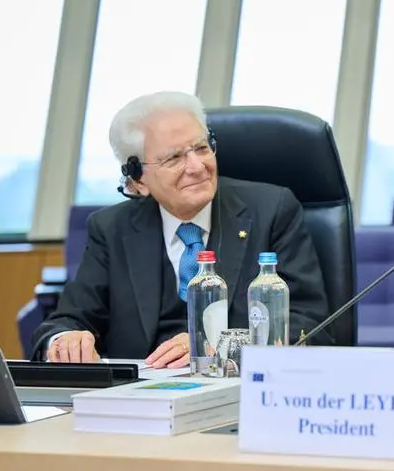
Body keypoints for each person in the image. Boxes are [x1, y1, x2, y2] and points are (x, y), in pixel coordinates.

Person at [31, 91, 331, 367]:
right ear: (138, 179)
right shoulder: (111, 229)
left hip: (239, 390)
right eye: (174, 158)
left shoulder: (271, 210)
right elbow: (67, 320)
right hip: (140, 398)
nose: (197, 167)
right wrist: (64, 341)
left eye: (202, 148)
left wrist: (215, 345)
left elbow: (309, 323)